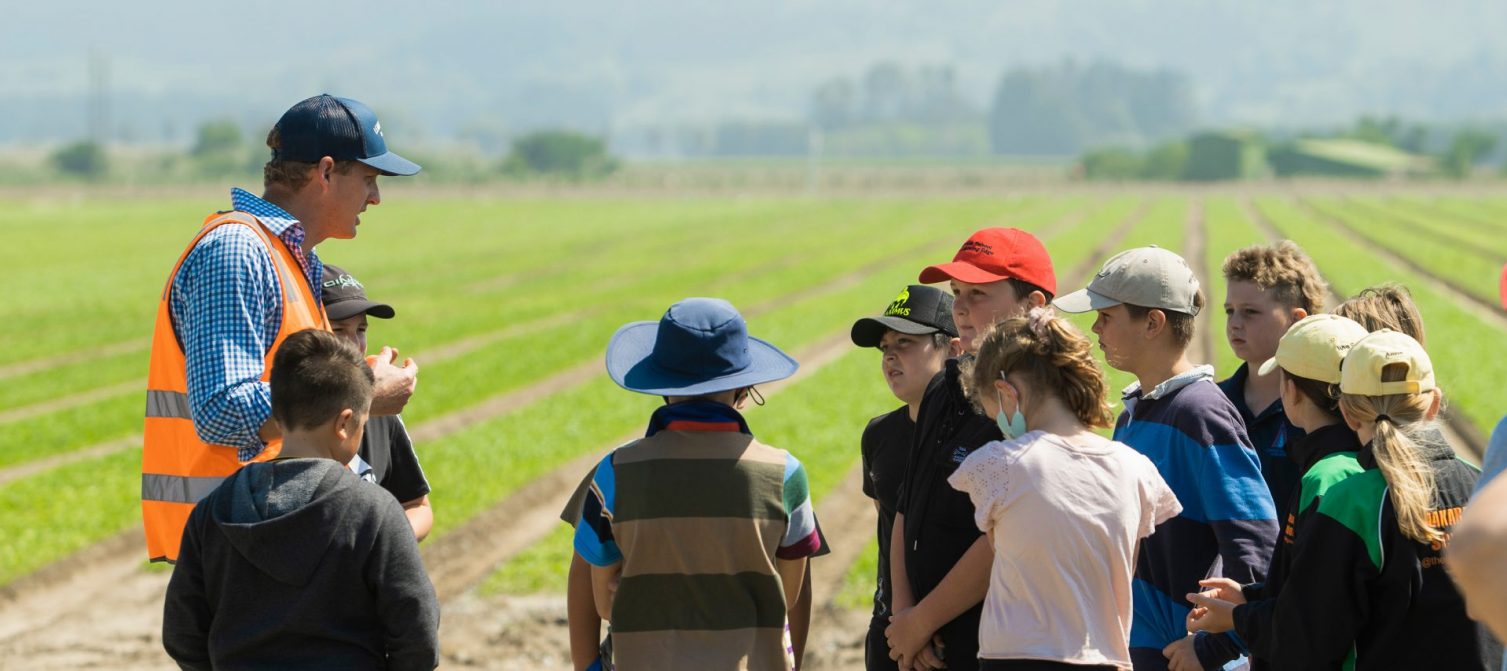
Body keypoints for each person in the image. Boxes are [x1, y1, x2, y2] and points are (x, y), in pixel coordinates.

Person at [142, 94, 421, 562]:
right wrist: (362, 391)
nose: (376, 198)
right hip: (241, 546)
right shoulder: (237, 251)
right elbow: (221, 410)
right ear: (326, 172)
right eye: (369, 179)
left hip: (273, 538)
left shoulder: (291, 259)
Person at [1054, 246, 1277, 671]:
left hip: (1179, 656)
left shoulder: (1200, 413)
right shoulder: (1134, 414)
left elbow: (1255, 543)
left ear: (1153, 323)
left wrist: (1217, 648)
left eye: (1106, 316)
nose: (1095, 328)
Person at [162, 329, 440, 670]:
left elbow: (181, 633)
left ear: (278, 413)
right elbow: (417, 631)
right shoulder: (374, 510)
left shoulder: (213, 511)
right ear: (345, 423)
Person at [573, 298, 822, 670]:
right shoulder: (785, 474)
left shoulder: (615, 471)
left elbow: (605, 603)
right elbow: (786, 596)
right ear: (744, 386)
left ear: (662, 383)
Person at [1233, 330, 1497, 669]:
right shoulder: (1484, 487)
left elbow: (1305, 639)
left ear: (1349, 413)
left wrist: (1242, 617)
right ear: (1432, 404)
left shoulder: (1351, 503)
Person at [949, 308, 1181, 670]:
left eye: (996, 414)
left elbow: (1001, 546)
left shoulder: (999, 463)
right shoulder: (1136, 468)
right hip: (1109, 657)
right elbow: (1124, 566)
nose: (1001, 427)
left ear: (1006, 392)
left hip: (1017, 658)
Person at [886, 228, 1056, 671]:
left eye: (978, 293)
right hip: (920, 640)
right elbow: (905, 508)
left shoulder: (1038, 403)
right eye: (956, 291)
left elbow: (1003, 537)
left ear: (1033, 305)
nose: (959, 306)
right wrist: (904, 618)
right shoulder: (944, 385)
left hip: (990, 643)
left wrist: (923, 620)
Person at [1182, 314, 1370, 670]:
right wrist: (1253, 596)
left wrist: (1238, 619)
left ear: (1291, 390)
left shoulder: (1325, 478)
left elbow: (1309, 624)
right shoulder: (1361, 460)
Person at [850, 284, 958, 671]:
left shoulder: (981, 434)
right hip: (891, 630)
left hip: (958, 633)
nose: (890, 356)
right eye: (884, 347)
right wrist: (901, 619)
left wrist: (925, 621)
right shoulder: (878, 435)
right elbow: (890, 520)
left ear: (953, 348)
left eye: (905, 342)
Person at [322, 264, 433, 541]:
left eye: (361, 329)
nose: (354, 345)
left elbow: (417, 505)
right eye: (337, 330)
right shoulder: (294, 419)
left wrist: (382, 545)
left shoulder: (384, 405)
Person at [1216, 241, 1327, 509]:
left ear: (1296, 319)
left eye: (1250, 312)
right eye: (1230, 311)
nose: (1235, 323)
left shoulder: (1322, 409)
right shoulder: (1214, 401)